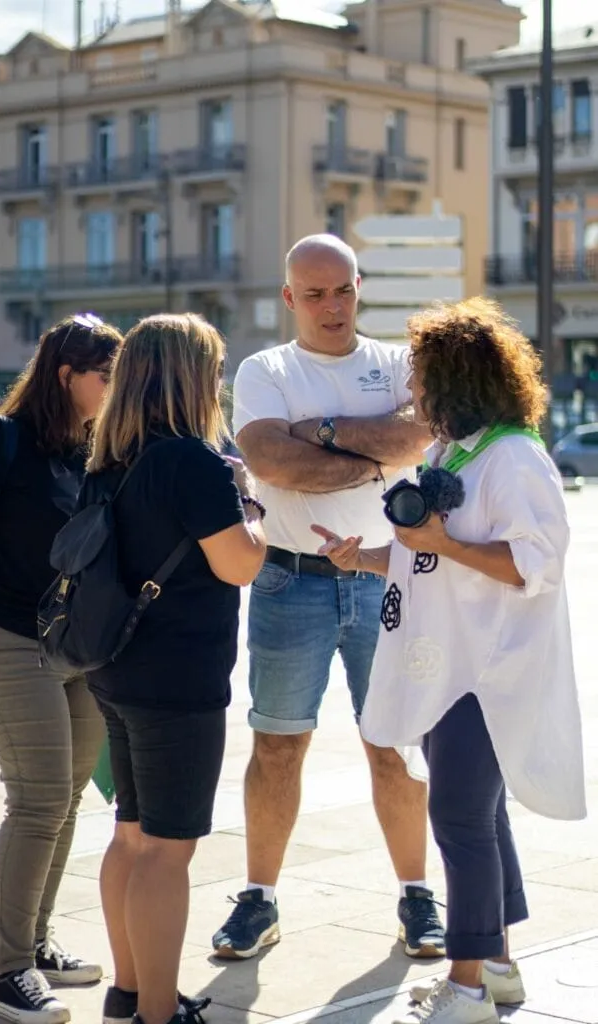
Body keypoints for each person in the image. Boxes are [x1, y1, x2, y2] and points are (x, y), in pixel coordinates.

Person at [315, 298, 586, 1024]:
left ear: (457, 379)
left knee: (460, 820)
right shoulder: (454, 452)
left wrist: (444, 543)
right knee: (480, 817)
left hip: (489, 672)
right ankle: (496, 967)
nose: (411, 391)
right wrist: (364, 558)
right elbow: (426, 558)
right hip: (448, 669)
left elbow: (536, 563)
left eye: (420, 377)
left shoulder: (514, 457)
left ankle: (465, 990)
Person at [212, 234, 445, 962]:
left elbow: (419, 437)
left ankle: (417, 897)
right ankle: (258, 899)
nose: (332, 306)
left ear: (358, 287)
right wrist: (372, 459)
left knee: (395, 745)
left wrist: (323, 432)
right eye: (314, 294)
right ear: (290, 298)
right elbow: (272, 461)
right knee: (278, 746)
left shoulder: (398, 364)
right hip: (291, 581)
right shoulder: (266, 369)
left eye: (343, 289)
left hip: (388, 581)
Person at [0, 314, 123, 1024]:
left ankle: (35, 945)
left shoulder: (93, 448)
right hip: (4, 636)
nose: (114, 389)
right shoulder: (0, 439)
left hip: (73, 644)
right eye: (106, 376)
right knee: (36, 799)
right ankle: (8, 974)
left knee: (65, 799)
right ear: (67, 376)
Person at [84, 313, 267, 1024]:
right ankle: (158, 1014)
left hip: (115, 669)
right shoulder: (193, 462)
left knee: (131, 834)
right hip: (179, 680)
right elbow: (239, 564)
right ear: (190, 377)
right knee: (167, 849)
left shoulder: (109, 461)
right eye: (214, 370)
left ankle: (128, 993)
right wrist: (250, 504)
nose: (219, 384)